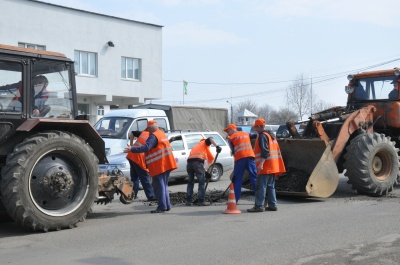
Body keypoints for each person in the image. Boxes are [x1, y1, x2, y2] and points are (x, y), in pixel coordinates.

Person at [124, 120, 177, 213]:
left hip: (159, 165)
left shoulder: (153, 136)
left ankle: (162, 207)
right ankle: (167, 205)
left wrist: (131, 148)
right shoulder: (162, 134)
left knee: (158, 186)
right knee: (163, 186)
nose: (147, 131)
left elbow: (146, 147)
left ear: (151, 128)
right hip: (167, 164)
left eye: (148, 129)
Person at [247, 118, 286, 212]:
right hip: (272, 166)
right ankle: (273, 205)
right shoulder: (270, 136)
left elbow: (265, 151)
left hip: (265, 166)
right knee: (270, 186)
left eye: (256, 127)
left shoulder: (262, 136)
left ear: (260, 126)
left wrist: (261, 164)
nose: (255, 129)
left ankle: (259, 206)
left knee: (261, 186)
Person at [224, 123, 257, 203]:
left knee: (237, 179)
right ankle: (260, 198)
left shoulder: (231, 138)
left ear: (232, 130)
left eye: (228, 131)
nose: (228, 133)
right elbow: (256, 136)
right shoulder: (246, 133)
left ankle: (235, 199)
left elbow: (233, 151)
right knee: (254, 177)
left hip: (240, 159)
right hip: (250, 157)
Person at [186, 137, 222, 206]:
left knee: (190, 182)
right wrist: (217, 146)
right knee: (201, 182)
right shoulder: (204, 143)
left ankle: (188, 201)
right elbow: (211, 138)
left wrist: (206, 172)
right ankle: (201, 201)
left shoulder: (197, 147)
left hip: (189, 163)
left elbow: (201, 163)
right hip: (197, 163)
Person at [125, 130, 156, 201]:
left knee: (134, 177)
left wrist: (131, 146)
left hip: (131, 155)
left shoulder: (144, 133)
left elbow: (132, 133)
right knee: (144, 178)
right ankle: (151, 196)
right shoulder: (153, 138)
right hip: (138, 158)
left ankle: (132, 195)